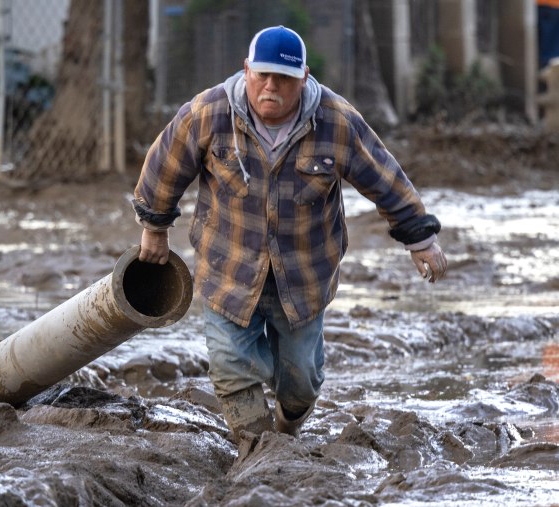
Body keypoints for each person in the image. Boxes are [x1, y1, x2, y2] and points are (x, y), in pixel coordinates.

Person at [132, 26, 447, 442]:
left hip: (303, 278)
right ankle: (255, 449)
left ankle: (287, 429)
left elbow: (384, 176)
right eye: (261, 75)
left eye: (283, 78)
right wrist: (154, 229)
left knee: (301, 381)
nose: (270, 86)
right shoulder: (208, 113)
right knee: (231, 366)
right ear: (246, 70)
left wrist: (419, 238)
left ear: (303, 77)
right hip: (228, 270)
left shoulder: (335, 121)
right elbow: (165, 164)